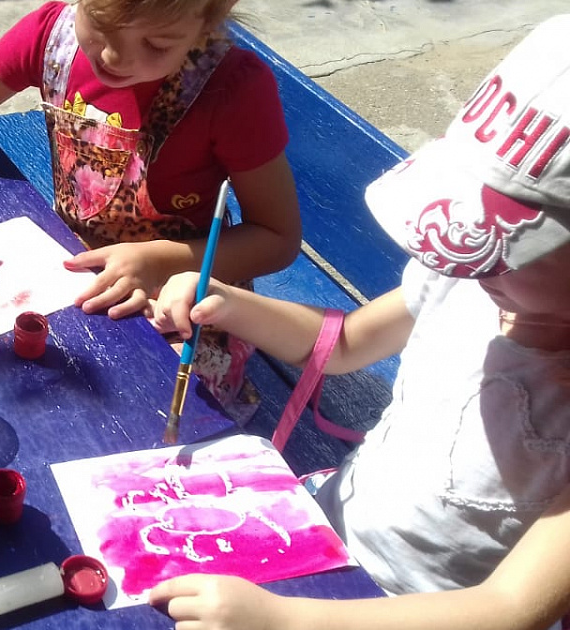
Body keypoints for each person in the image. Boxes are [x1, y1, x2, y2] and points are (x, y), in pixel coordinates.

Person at [146, 14, 570, 630]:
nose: (462, 261)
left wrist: (285, 622)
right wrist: (229, 303)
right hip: (330, 529)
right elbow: (342, 342)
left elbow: (508, 609)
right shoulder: (464, 282)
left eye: (504, 250)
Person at [0, 0, 301, 421]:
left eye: (157, 44)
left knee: (142, 420)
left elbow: (277, 238)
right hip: (67, 273)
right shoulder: (52, 38)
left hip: (181, 303)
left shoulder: (233, 89)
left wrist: (159, 262)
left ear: (212, 16)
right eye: (100, 27)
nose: (113, 57)